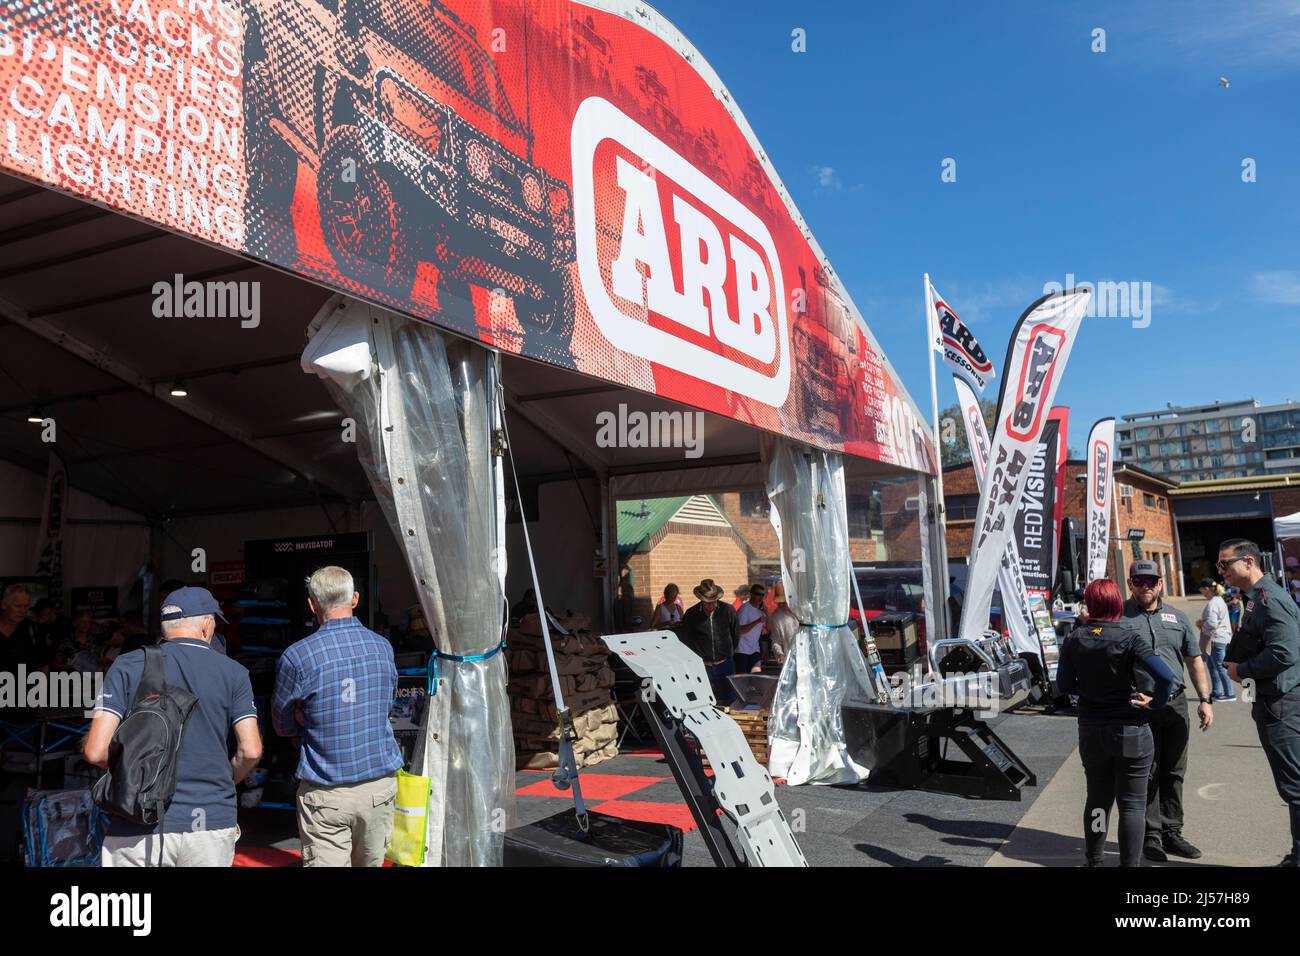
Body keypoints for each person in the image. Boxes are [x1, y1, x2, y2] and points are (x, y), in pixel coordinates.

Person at [84, 587, 262, 867]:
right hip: (210, 820)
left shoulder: (128, 664)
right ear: (206, 625)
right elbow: (250, 750)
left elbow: (95, 752)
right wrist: (225, 779)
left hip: (138, 820)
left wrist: (134, 770)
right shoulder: (234, 673)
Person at [272, 566, 402, 867]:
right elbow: (386, 707)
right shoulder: (383, 648)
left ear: (312, 604)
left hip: (325, 794)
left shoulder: (298, 655)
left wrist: (306, 720)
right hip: (378, 789)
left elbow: (281, 724)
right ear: (355, 598)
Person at [1057, 578, 1174, 867]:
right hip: (1130, 727)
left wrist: (1089, 689)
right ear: (1115, 602)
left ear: (1090, 604)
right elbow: (1166, 676)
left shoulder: (1074, 638)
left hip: (1092, 729)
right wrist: (1156, 702)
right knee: (1132, 805)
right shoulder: (1130, 636)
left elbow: (1063, 684)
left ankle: (1094, 861)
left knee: (1097, 798)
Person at [1121, 559, 1214, 862]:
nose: (1145, 586)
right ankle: (1152, 836)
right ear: (1130, 583)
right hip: (1139, 707)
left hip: (1174, 705)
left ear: (1161, 583)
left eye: (1151, 581)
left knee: (1174, 770)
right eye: (1139, 581)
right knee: (1147, 772)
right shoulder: (1119, 618)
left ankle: (1173, 832)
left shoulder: (1178, 617)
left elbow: (1194, 660)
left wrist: (1205, 699)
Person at [1220, 538, 1300, 866]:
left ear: (1249, 562)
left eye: (1226, 564)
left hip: (1282, 702)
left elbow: (1285, 652)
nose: (1221, 570)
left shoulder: (1270, 599)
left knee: (1295, 786)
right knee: (1292, 785)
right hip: (1270, 700)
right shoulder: (1255, 599)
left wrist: (1243, 670)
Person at [679, 579, 740, 707]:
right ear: (701, 599)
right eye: (707, 602)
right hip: (702, 666)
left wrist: (727, 653)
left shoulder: (728, 610)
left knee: (730, 700)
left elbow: (736, 635)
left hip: (725, 664)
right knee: (705, 701)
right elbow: (686, 641)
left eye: (713, 602)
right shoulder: (691, 614)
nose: (710, 606)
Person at [1197, 578, 1235, 702]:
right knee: (1212, 666)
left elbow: (1212, 623)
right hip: (1219, 637)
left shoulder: (1213, 603)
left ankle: (1229, 693)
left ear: (1207, 589)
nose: (1201, 593)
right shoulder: (1218, 600)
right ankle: (1216, 691)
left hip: (1217, 638)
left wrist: (1202, 624)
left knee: (1219, 665)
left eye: (1202, 590)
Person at [0, 584, 40, 679]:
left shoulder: (33, 629)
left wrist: (41, 691)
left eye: (26, 606)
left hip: (26, 692)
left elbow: (43, 665)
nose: (23, 611)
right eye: (18, 606)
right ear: (4, 605)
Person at [735, 583, 768, 674]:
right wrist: (756, 622)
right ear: (751, 594)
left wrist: (767, 612)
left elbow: (768, 629)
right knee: (742, 679)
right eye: (758, 594)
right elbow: (740, 630)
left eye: (762, 595)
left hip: (755, 649)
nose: (760, 597)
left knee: (756, 676)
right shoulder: (744, 609)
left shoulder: (760, 611)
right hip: (742, 650)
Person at [767, 582, 798, 666]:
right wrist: (780, 654)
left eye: (784, 601)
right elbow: (775, 640)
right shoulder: (777, 616)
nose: (782, 604)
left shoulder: (803, 611)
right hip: (790, 661)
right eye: (780, 602)